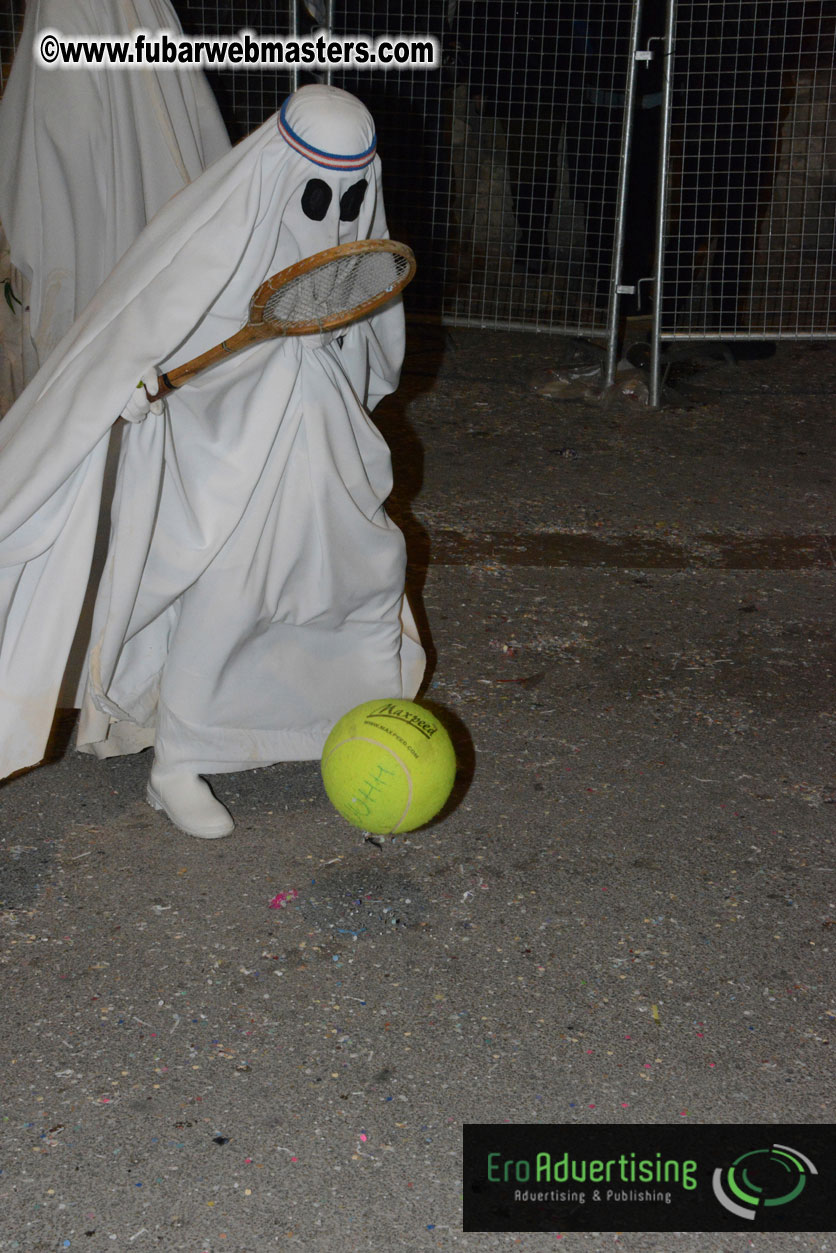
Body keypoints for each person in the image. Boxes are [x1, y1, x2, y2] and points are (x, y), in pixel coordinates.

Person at [0, 84, 426, 838]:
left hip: (328, 460)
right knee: (226, 600)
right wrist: (128, 390)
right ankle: (181, 763)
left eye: (354, 193)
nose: (335, 215)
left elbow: (374, 362)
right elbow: (141, 323)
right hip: (223, 467)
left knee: (362, 583)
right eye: (318, 193)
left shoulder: (353, 251)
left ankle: (348, 723)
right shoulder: (210, 241)